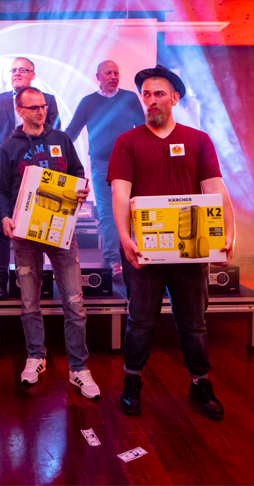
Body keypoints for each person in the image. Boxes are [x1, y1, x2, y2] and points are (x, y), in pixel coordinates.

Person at [108, 65, 236, 420]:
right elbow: (120, 195)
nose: (151, 100)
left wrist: (229, 235)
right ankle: (132, 383)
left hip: (191, 250)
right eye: (146, 94)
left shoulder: (198, 140)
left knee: (193, 322)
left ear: (175, 98)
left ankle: (200, 384)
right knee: (140, 321)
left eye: (159, 93)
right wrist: (125, 238)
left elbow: (215, 189)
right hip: (143, 251)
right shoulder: (127, 142)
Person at [0, 87, 100, 399]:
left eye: (43, 106)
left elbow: (78, 175)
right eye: (33, 107)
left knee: (75, 302)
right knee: (29, 302)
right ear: (19, 110)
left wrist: (82, 190)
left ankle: (79, 368)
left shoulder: (62, 139)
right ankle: (36, 357)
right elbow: (1, 190)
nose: (41, 111)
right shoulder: (8, 146)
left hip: (61, 232)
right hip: (24, 234)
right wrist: (4, 217)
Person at [0, 57, 61, 300]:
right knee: (0, 227)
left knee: (38, 226)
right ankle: (1, 281)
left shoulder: (47, 101)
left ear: (33, 75)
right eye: (13, 70)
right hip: (6, 171)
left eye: (22, 70)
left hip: (40, 170)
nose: (16, 73)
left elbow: (56, 136)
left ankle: (36, 282)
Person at [65, 60, 144, 279]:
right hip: (102, 166)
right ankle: (114, 261)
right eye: (108, 73)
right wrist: (55, 153)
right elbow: (72, 131)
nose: (113, 76)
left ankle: (136, 254)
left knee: (133, 211)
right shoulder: (88, 102)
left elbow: (143, 130)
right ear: (98, 77)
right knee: (108, 214)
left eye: (116, 73)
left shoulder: (130, 98)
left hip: (130, 164)